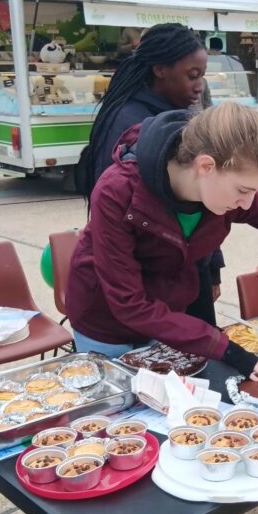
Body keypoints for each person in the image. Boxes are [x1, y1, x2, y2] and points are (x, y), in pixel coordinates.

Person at [66, 103, 258, 380]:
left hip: (170, 319)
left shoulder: (229, 188)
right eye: (242, 190)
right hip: (105, 322)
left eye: (255, 191)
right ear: (205, 166)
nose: (248, 203)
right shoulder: (117, 191)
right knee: (120, 418)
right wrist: (225, 348)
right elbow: (129, 303)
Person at [77, 23, 220, 318]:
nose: (199, 86)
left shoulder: (176, 115)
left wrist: (212, 264)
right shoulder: (131, 123)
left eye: (202, 76)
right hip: (155, 276)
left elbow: (203, 199)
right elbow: (125, 213)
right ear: (160, 69)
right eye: (192, 76)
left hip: (186, 264)